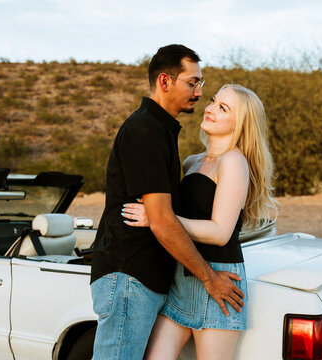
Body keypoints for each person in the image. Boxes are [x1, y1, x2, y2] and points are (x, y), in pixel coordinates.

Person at [89, 45, 246, 360]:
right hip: (130, 275)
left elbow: (175, 219)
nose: (200, 94)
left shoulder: (162, 133)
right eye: (193, 83)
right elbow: (162, 220)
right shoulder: (147, 131)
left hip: (154, 278)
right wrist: (210, 278)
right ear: (165, 81)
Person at [122, 84, 278, 359]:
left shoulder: (233, 161)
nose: (210, 109)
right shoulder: (192, 162)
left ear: (240, 122)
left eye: (223, 108)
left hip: (220, 279)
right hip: (183, 276)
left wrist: (159, 219)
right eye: (213, 101)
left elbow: (220, 232)